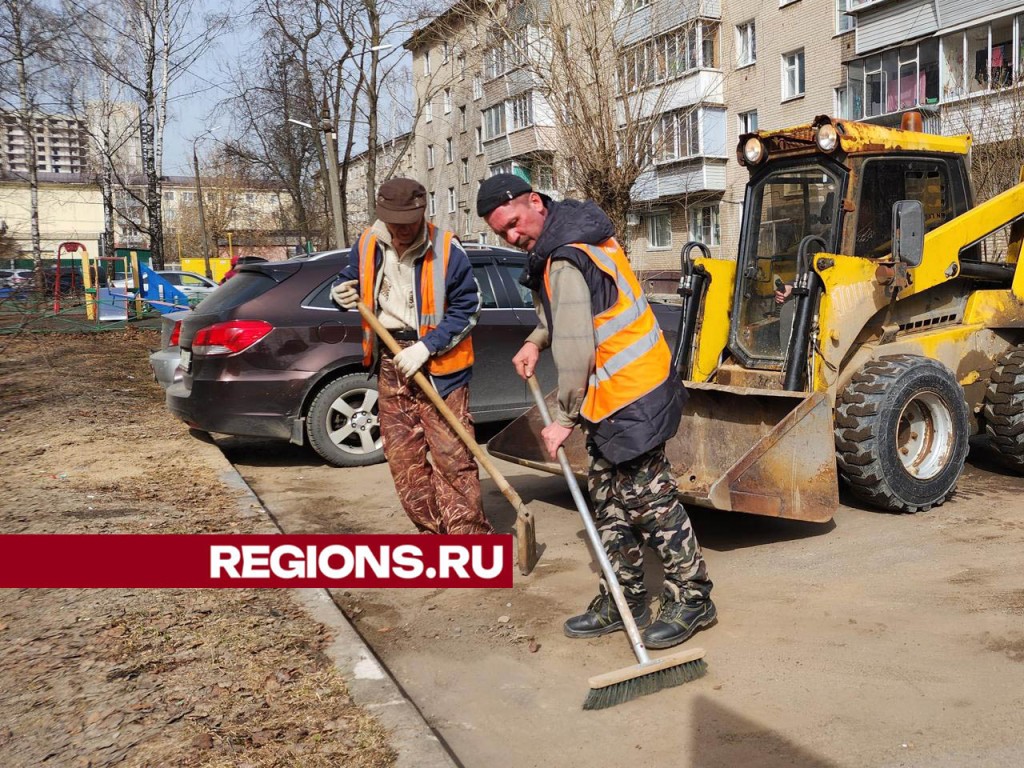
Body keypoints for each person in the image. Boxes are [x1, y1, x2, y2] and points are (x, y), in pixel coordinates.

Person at [477, 174, 715, 649]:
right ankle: (621, 597)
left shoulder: (566, 255)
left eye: (513, 224)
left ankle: (692, 598)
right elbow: (563, 315)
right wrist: (533, 340)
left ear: (533, 201)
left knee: (651, 501)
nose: (510, 237)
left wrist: (562, 420)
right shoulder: (572, 234)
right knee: (608, 500)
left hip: (634, 393)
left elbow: (576, 347)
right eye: (500, 232)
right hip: (620, 391)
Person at [331, 177, 492, 536]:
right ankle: (431, 533)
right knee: (404, 459)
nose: (400, 231)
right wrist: (339, 292)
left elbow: (469, 306)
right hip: (390, 363)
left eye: (406, 223)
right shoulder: (369, 243)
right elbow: (348, 279)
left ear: (421, 214)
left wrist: (426, 346)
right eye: (393, 223)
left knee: (453, 457)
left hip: (441, 366)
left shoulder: (447, 249)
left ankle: (468, 540)